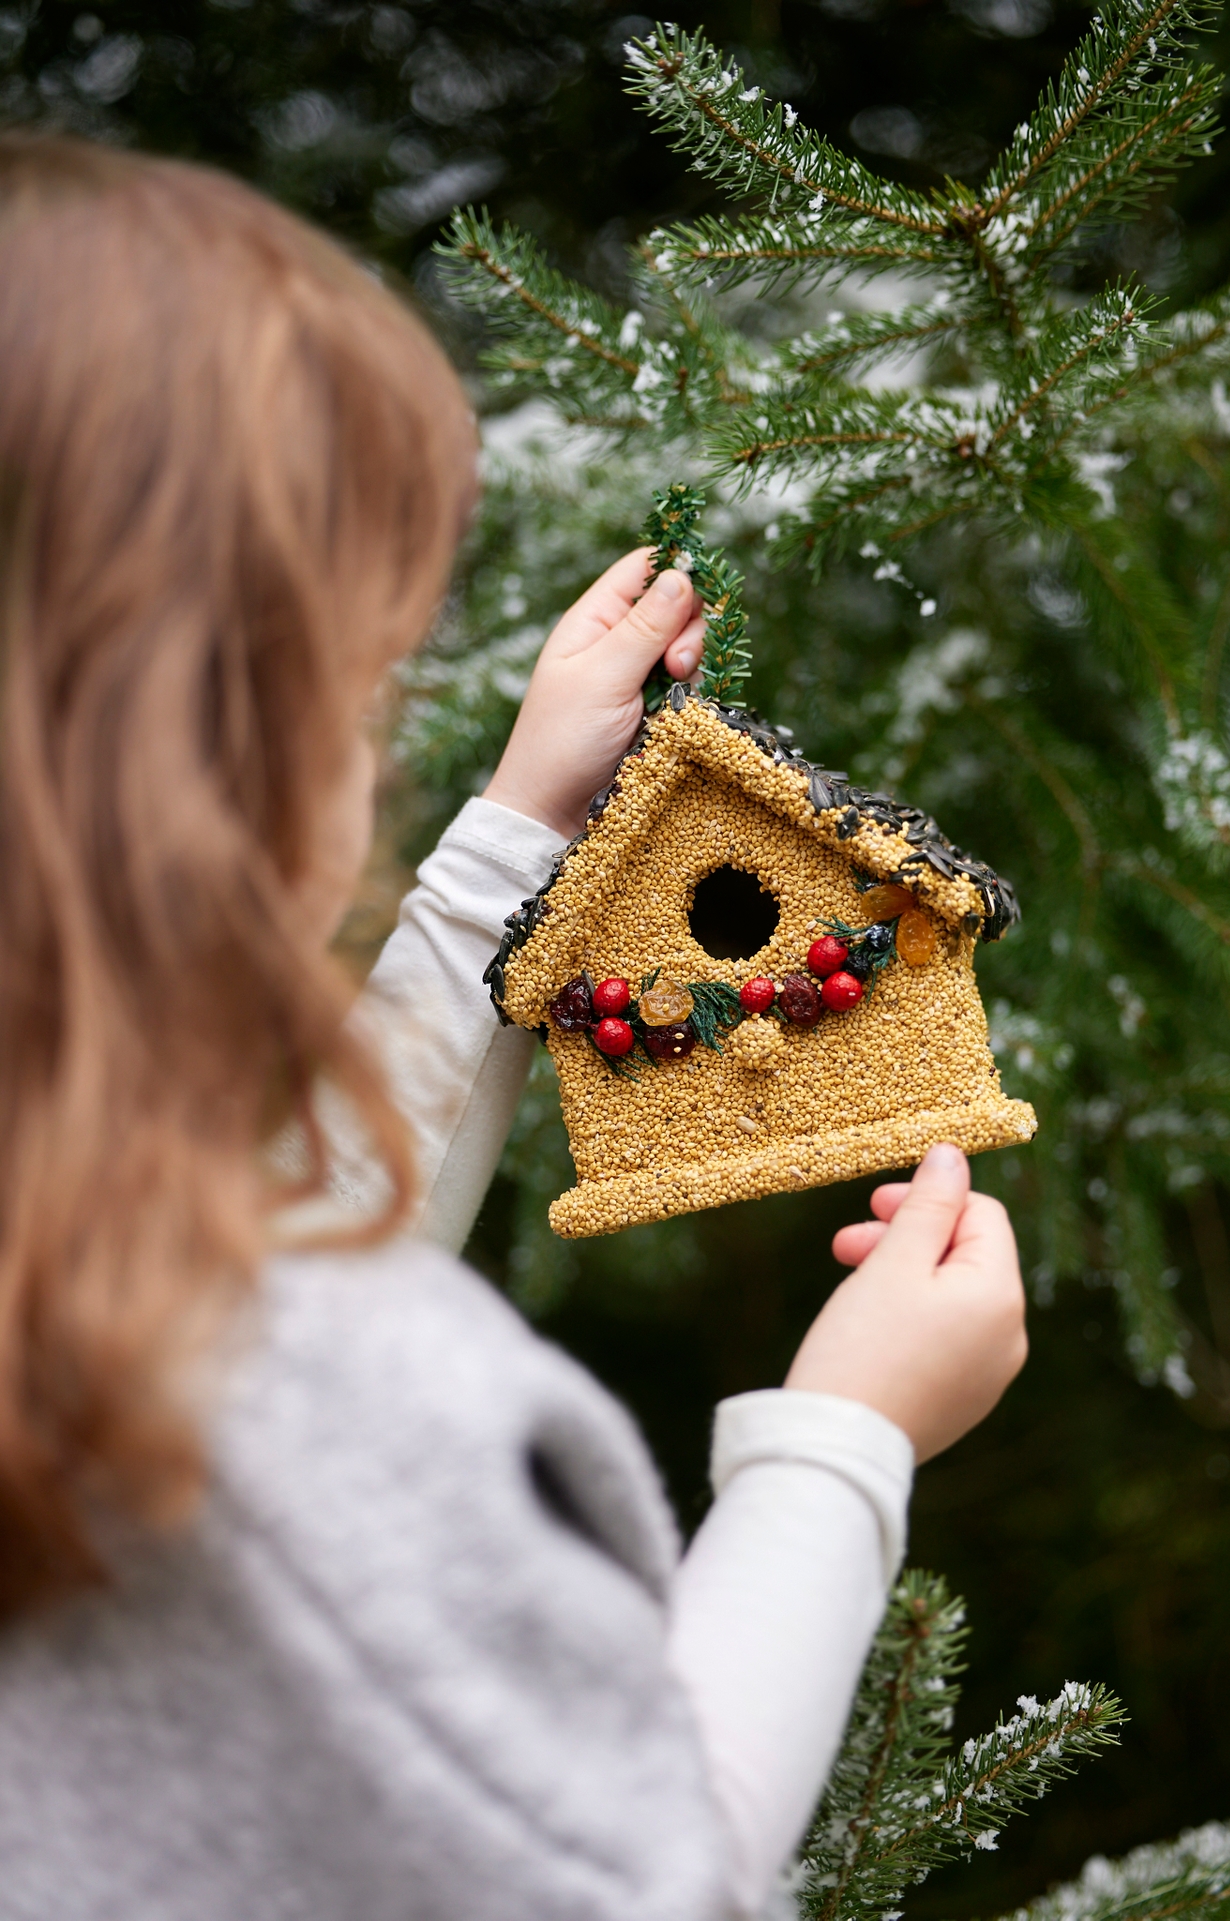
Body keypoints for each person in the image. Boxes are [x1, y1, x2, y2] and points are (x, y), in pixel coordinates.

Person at [0, 133, 1027, 1921]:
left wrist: (517, 838)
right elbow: (636, 1877)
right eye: (357, 670)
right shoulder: (316, 1415)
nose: (379, 740)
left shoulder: (87, 1279)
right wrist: (843, 1441)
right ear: (199, 762)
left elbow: (245, 1264)